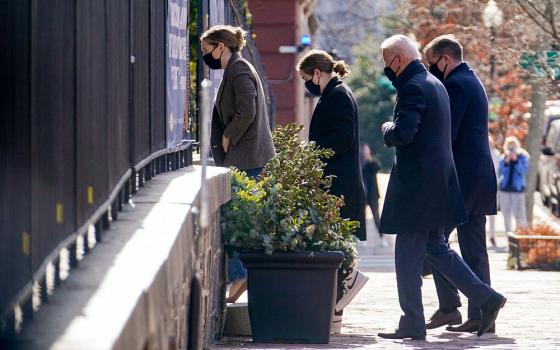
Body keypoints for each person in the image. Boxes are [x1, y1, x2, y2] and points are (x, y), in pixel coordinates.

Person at [377, 35, 506, 340]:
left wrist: (386, 128)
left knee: (407, 253)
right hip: (440, 183)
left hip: (418, 186)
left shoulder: (413, 87)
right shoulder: (435, 84)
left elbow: (405, 133)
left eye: (386, 63)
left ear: (397, 60)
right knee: (436, 248)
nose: (387, 69)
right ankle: (486, 299)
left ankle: (412, 321)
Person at [423, 35, 498, 333]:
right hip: (477, 176)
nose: (431, 71)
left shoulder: (455, 85)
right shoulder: (472, 80)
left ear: (445, 59)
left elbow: (446, 132)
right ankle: (479, 313)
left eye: (432, 64)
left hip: (464, 179)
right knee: (472, 248)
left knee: (434, 240)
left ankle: (451, 308)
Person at [200, 25, 275, 303]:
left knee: (237, 221)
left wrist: (229, 137)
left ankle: (241, 274)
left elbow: (247, 110)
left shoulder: (240, 70)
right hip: (245, 158)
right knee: (242, 220)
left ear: (221, 46)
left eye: (207, 50)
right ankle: (241, 274)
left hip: (247, 160)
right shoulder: (236, 69)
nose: (206, 56)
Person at [296, 49, 368, 332]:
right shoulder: (336, 93)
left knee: (337, 243)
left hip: (339, 182)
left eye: (306, 77)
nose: (307, 84)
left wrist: (313, 150)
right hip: (337, 179)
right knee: (335, 241)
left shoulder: (338, 95)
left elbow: (343, 135)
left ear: (317, 73)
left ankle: (344, 293)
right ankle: (334, 312)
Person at [499, 136, 529, 233]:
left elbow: (523, 170)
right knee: (506, 216)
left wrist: (516, 161)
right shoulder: (503, 157)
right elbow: (501, 171)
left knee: (519, 216)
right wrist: (507, 162)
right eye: (509, 147)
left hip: (517, 190)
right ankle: (509, 237)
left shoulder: (523, 156)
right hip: (505, 190)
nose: (511, 149)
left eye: (513, 146)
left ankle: (519, 237)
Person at [360, 144, 387, 247]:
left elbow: (378, 167)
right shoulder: (360, 163)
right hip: (363, 194)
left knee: (376, 217)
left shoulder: (371, 163)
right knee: (362, 217)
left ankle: (382, 238)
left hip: (373, 194)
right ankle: (363, 239)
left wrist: (369, 158)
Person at [488, 135, 501, 247]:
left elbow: (498, 169)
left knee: (492, 215)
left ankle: (492, 235)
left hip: (493, 185)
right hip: (487, 184)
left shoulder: (496, 154)